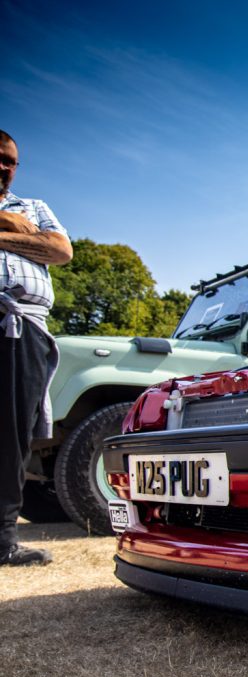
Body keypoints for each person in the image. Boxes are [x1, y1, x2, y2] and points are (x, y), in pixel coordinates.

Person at [0, 129, 73, 566]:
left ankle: (3, 539)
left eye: (9, 160)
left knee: (12, 435)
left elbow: (60, 250)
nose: (3, 166)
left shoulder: (34, 207)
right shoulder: (15, 217)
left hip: (20, 325)